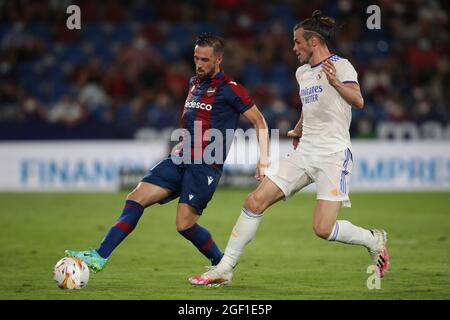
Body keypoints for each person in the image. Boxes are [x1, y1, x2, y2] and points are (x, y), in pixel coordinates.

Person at [189, 11, 389, 286]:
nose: (294, 48)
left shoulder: (341, 66)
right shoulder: (302, 73)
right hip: (305, 151)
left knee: (323, 228)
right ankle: (224, 268)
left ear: (314, 42)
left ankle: (373, 238)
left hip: (333, 155)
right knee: (254, 201)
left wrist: (335, 83)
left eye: (297, 42)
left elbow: (358, 100)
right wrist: (299, 127)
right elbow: (311, 106)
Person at [65, 34, 269, 273]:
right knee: (135, 197)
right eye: (196, 58)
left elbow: (260, 122)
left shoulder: (231, 90)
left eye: (205, 59)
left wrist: (263, 159)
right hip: (180, 158)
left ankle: (222, 265)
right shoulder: (194, 83)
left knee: (184, 225)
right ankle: (100, 255)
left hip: (205, 166)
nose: (199, 64)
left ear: (219, 59)